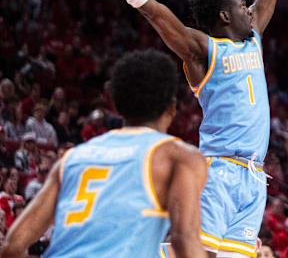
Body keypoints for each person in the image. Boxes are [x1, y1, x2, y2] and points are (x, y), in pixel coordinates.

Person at [77, 0, 288, 258]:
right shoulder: (202, 49)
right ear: (224, 14)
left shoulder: (253, 36)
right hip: (218, 172)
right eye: (241, 5)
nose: (248, 8)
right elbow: (152, 10)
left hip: (254, 180)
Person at [0, 50, 207, 258]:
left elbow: (12, 245)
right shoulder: (177, 157)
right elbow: (184, 240)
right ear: (172, 107)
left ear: (116, 106)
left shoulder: (71, 159)